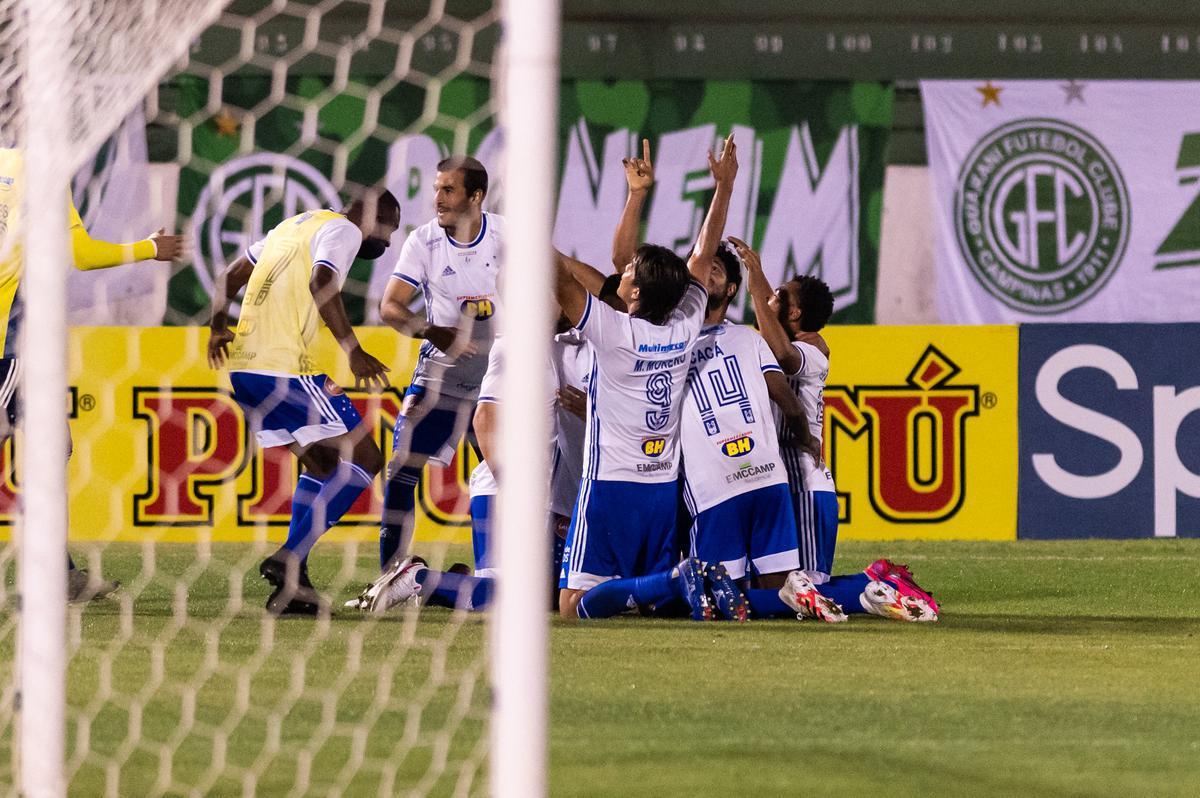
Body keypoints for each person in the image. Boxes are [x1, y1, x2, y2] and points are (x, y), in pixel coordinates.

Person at [552, 135, 747, 621]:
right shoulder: (684, 325)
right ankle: (674, 579)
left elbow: (558, 281)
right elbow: (702, 255)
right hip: (660, 487)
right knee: (648, 607)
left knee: (572, 606)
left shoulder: (614, 331)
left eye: (630, 269)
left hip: (609, 483)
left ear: (636, 289)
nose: (622, 270)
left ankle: (676, 577)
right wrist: (724, 188)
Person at [0, 145, 184, 602]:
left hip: (17, 346)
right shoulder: (42, 167)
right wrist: (150, 248)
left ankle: (55, 575)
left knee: (52, 447)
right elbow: (81, 254)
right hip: (5, 347)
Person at [208, 189, 397, 615]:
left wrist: (218, 326)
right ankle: (289, 556)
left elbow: (229, 276)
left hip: (245, 370)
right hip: (284, 366)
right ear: (370, 217)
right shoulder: (344, 230)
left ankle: (294, 586)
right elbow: (322, 282)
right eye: (388, 229)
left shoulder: (292, 225)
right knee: (366, 458)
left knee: (325, 465)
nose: (387, 242)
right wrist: (353, 350)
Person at [734, 236, 939, 622]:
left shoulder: (814, 349)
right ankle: (874, 586)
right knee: (782, 589)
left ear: (794, 314)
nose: (768, 301)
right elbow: (771, 329)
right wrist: (753, 272)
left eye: (779, 296)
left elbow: (782, 354)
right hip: (780, 484)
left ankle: (876, 586)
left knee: (810, 592)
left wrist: (759, 280)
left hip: (808, 485)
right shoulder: (780, 335)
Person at [377, 156, 500, 571]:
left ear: (476, 195)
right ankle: (392, 575)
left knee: (509, 476)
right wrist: (432, 330)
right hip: (441, 381)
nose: (438, 199)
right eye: (436, 189)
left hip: (497, 384)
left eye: (448, 190)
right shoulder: (423, 242)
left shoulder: (508, 236)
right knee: (400, 467)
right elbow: (390, 307)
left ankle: (505, 569)